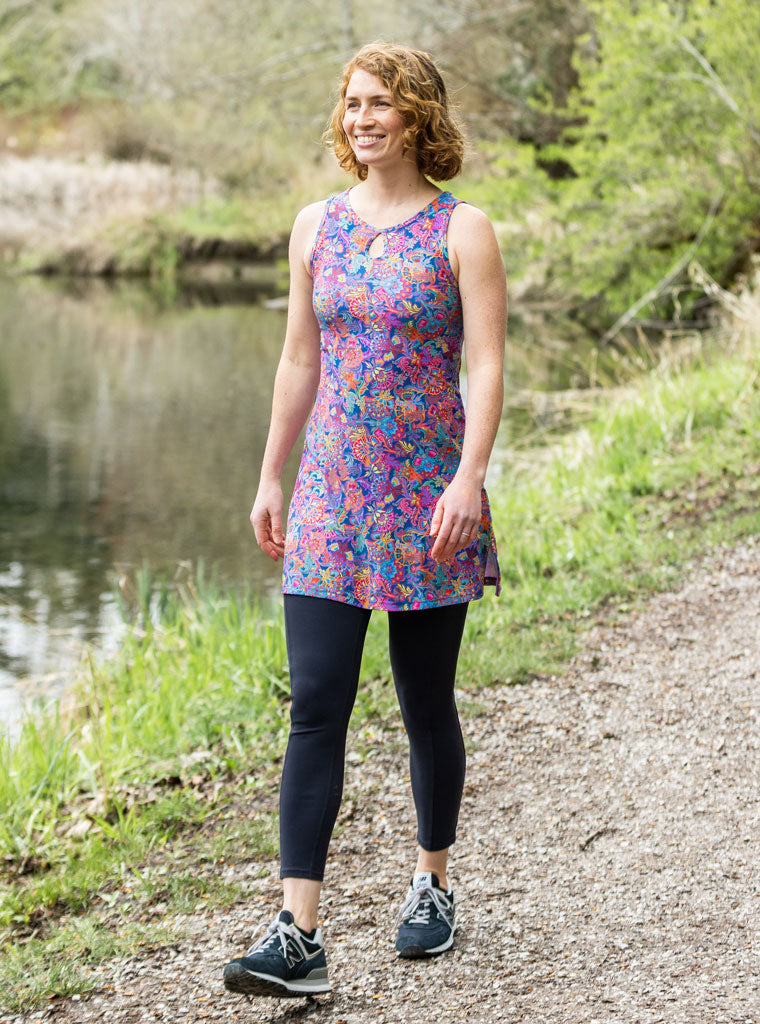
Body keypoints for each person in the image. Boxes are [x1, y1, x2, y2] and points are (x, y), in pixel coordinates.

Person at [223, 41, 507, 999]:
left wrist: (470, 478)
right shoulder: (316, 226)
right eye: (352, 103)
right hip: (330, 499)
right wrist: (271, 477)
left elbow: (487, 366)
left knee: (425, 701)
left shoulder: (463, 230)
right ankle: (297, 932)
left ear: (417, 114)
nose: (362, 118)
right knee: (315, 703)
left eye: (380, 102)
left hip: (429, 499)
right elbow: (298, 360)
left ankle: (432, 883)